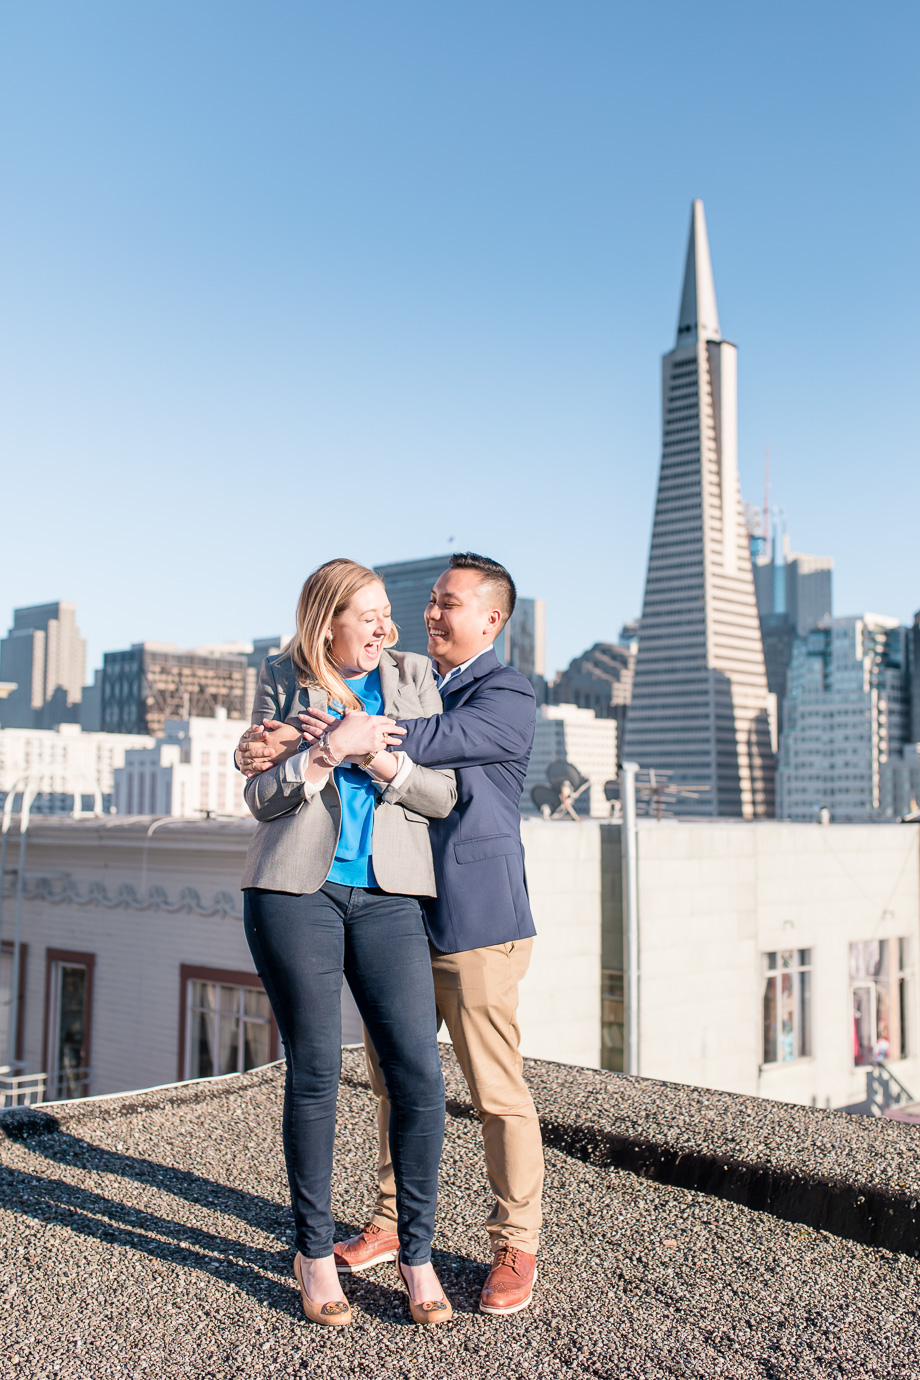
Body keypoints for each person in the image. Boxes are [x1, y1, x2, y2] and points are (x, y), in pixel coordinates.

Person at [239, 553, 544, 1317]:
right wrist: (287, 748)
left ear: (492, 619)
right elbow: (265, 777)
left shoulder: (500, 692)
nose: (426, 616)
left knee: (481, 1086)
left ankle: (514, 1241)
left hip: (465, 914)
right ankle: (378, 1225)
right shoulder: (363, 674)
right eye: (430, 602)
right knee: (380, 1076)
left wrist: (354, 739)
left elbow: (429, 759)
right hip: (368, 901)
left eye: (448, 604)